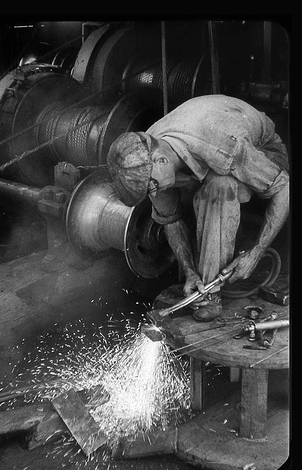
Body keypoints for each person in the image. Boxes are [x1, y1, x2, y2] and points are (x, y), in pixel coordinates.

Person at [107, 95, 289, 321]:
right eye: (148, 191)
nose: (152, 193)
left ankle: (210, 295)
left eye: (151, 186)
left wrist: (256, 253)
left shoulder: (223, 146)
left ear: (162, 161)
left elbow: (284, 188)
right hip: (205, 154)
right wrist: (190, 271)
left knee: (220, 187)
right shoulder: (148, 152)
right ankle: (198, 278)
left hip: (262, 148)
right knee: (197, 191)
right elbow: (170, 219)